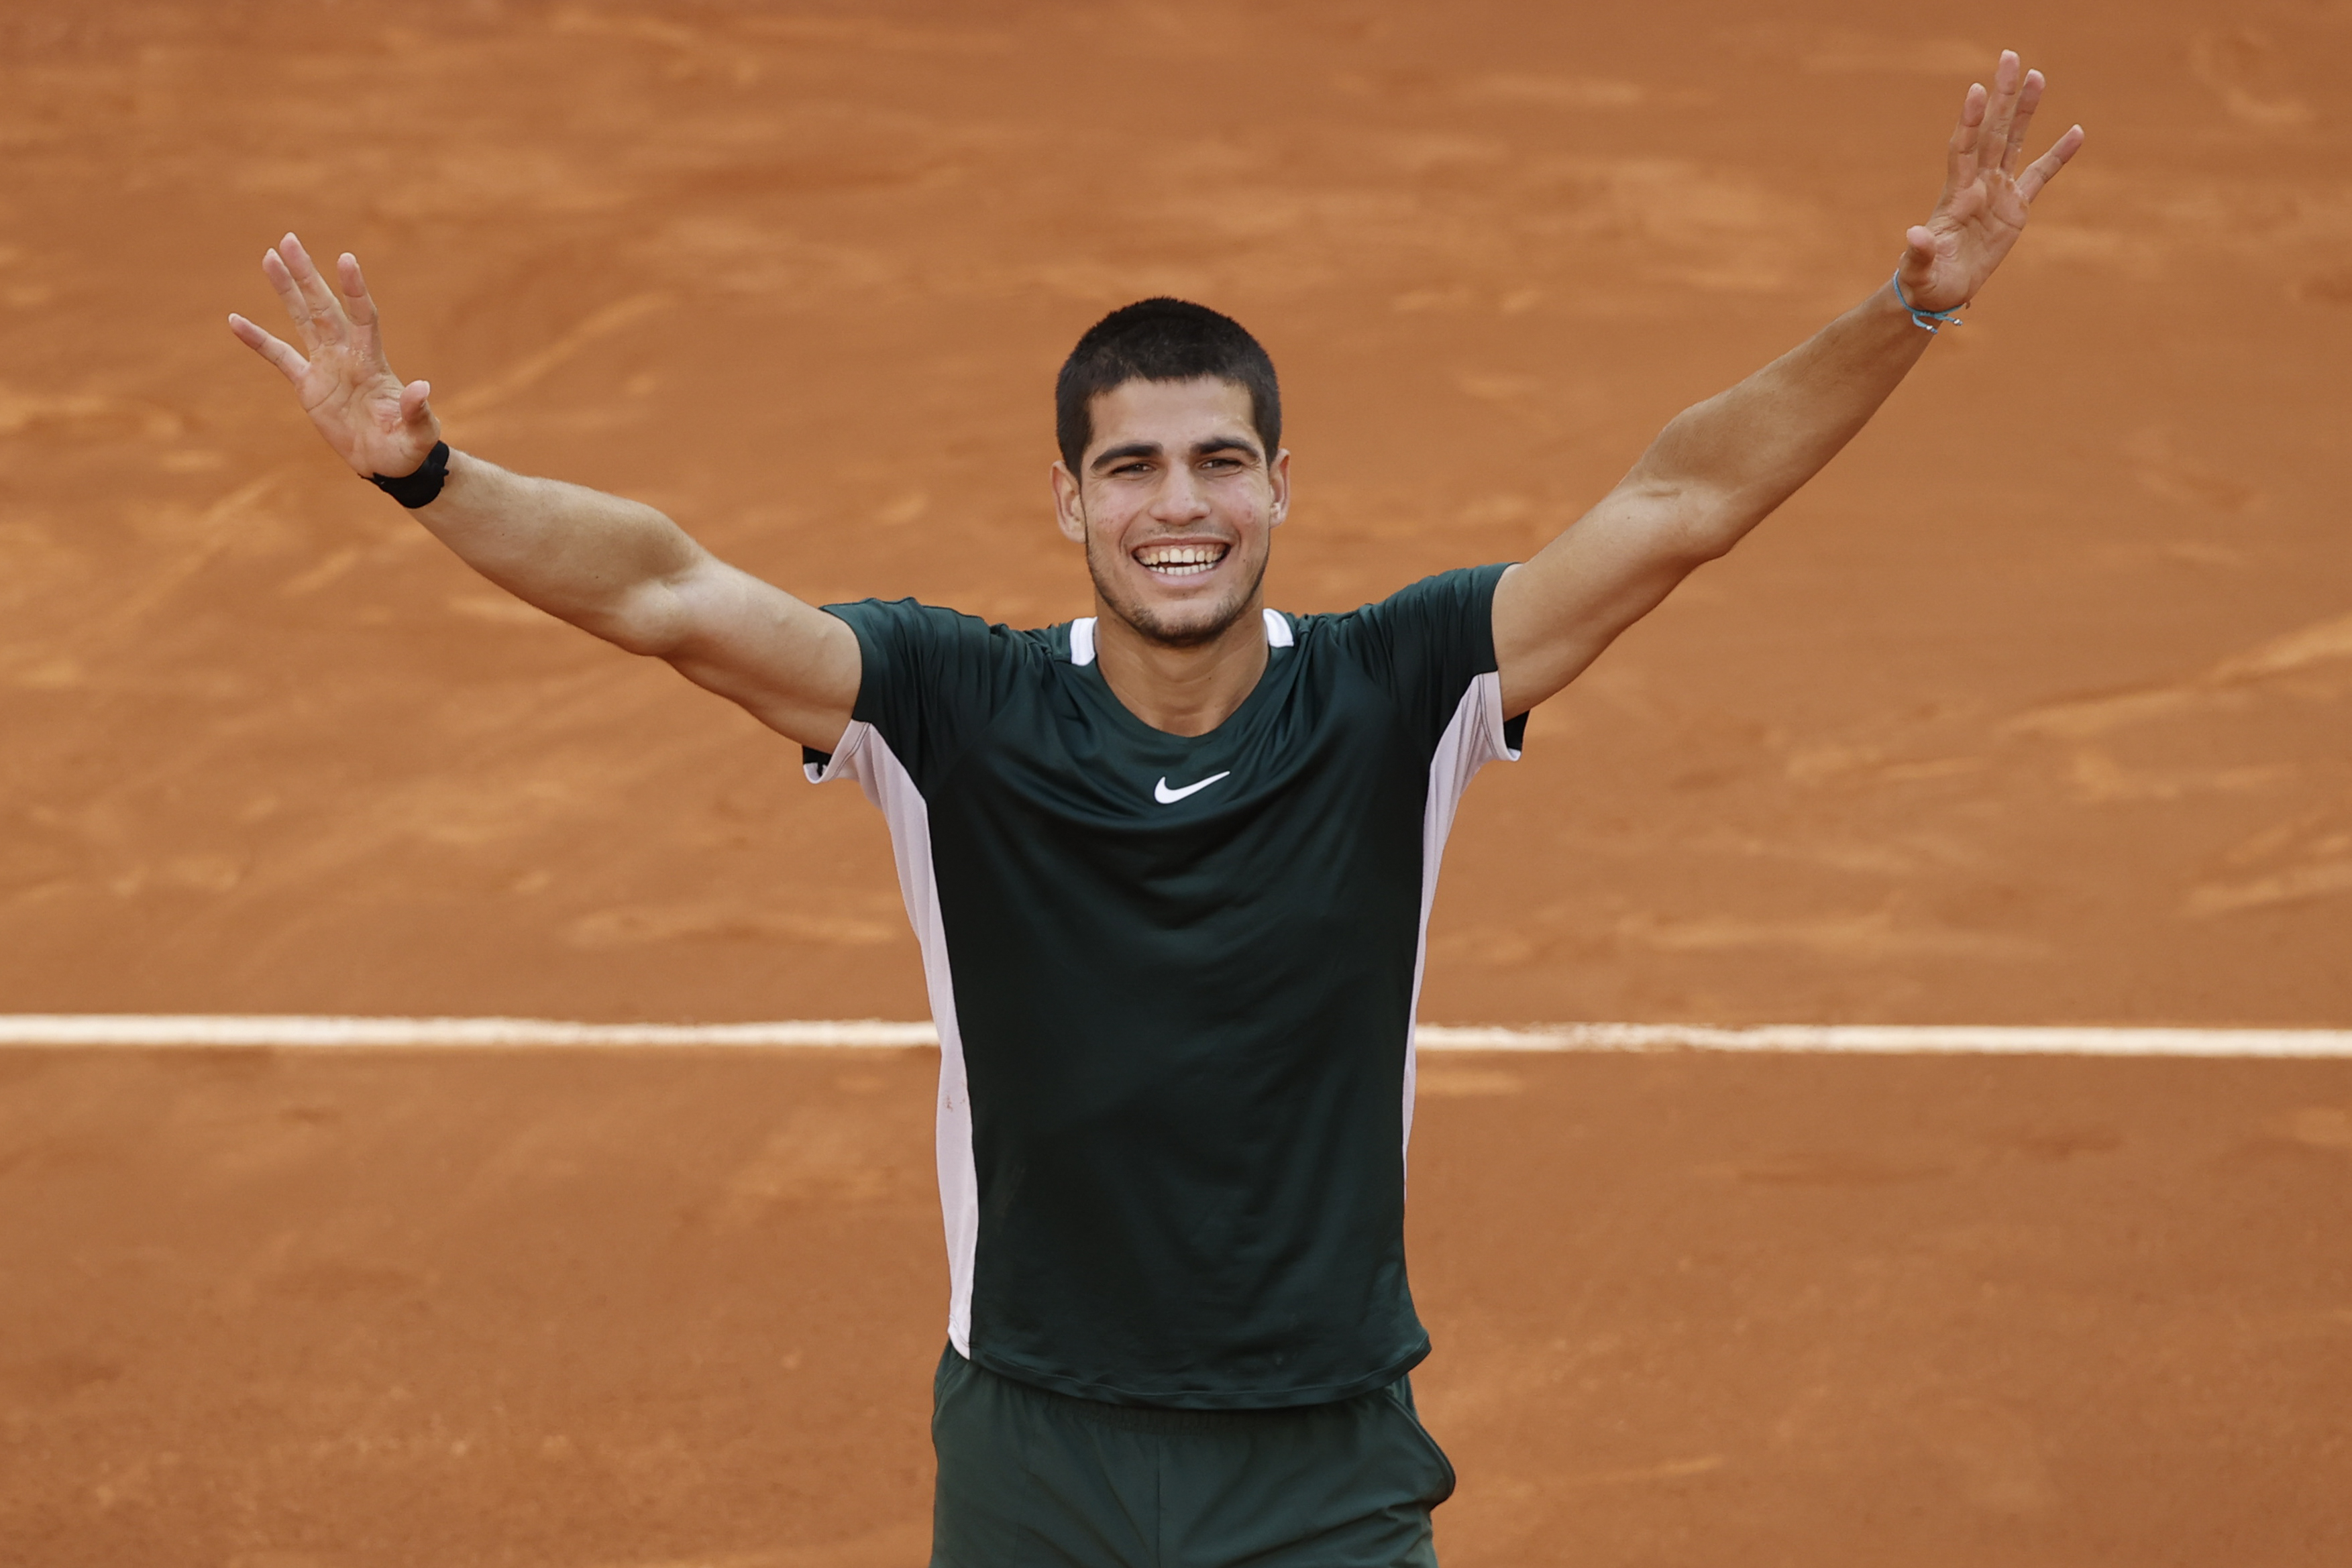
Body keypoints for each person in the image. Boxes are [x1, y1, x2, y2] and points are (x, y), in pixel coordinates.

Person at [229, 51, 2080, 1568]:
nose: (1173, 503)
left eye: (1216, 461)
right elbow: (662, 592)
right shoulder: (945, 706)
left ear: (1277, 487)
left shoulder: (1394, 689)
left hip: (1320, 1451)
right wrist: (427, 474)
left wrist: (1906, 307)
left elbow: (1678, 502)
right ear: (1069, 500)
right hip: (1036, 1436)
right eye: (1130, 465)